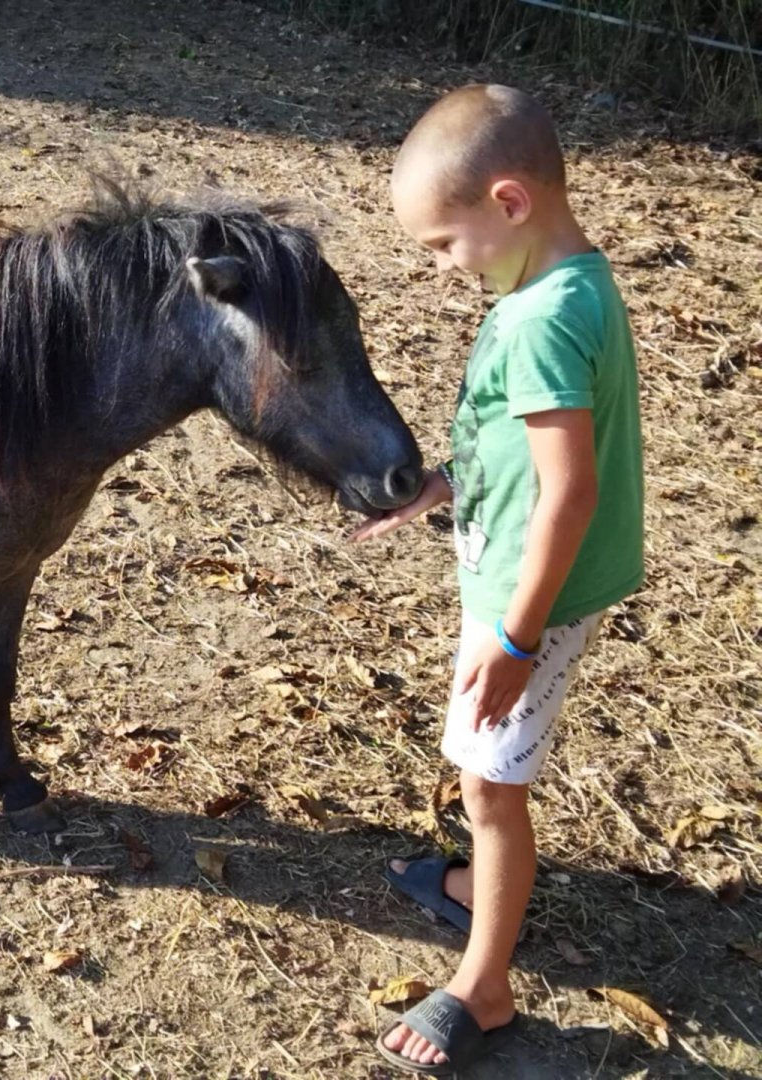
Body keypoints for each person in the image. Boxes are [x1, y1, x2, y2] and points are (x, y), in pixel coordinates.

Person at [351, 83, 644, 1075]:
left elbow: (566, 493)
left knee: (490, 787)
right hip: (522, 582)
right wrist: (443, 484)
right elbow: (522, 451)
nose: (442, 271)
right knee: (487, 778)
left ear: (508, 204)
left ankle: (484, 984)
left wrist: (518, 640)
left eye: (443, 246)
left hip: (535, 599)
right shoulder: (567, 284)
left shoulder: (537, 322)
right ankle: (482, 887)